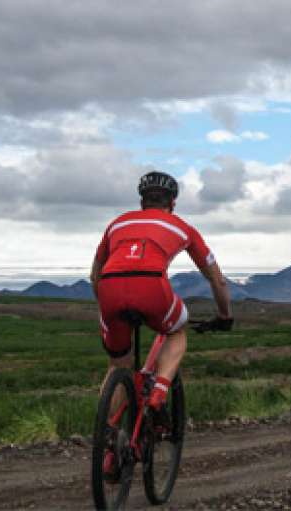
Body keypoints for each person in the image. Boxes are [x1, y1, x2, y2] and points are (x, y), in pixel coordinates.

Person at [90, 170, 233, 421]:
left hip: (109, 287)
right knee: (177, 330)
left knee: (117, 364)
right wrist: (224, 315)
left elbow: (95, 274)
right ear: (173, 203)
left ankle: (108, 436)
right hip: (151, 285)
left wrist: (107, 306)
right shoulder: (183, 227)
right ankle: (158, 393)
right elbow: (217, 279)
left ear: (142, 202)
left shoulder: (118, 223)